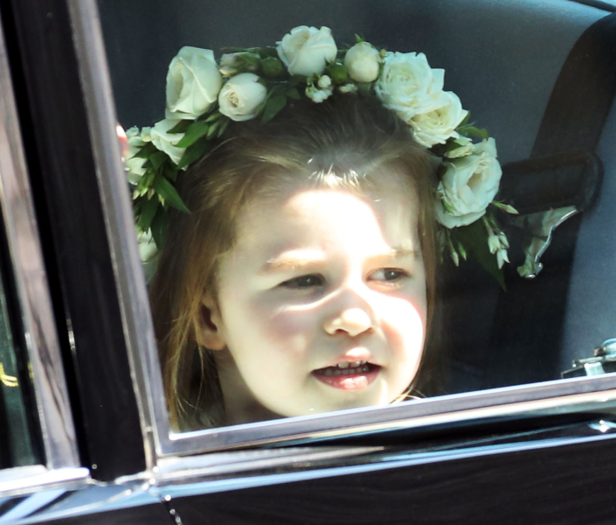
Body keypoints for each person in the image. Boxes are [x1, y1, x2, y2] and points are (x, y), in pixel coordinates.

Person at [127, 26, 508, 431]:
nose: (354, 316)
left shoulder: (478, 440)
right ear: (209, 316)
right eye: (305, 280)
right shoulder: (150, 473)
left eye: (390, 274)